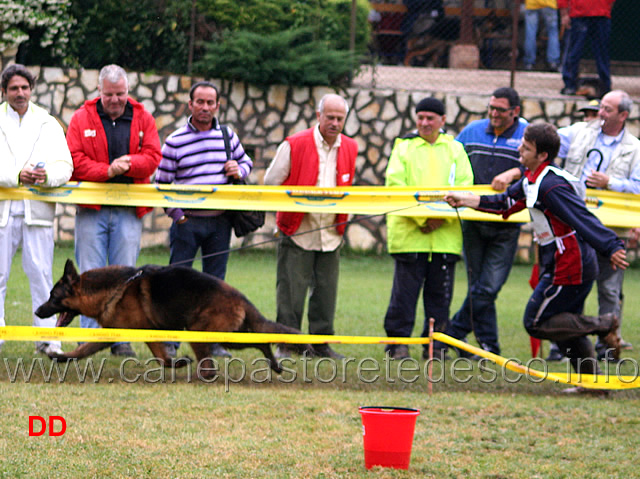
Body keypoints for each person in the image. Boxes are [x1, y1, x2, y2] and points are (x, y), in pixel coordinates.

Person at [444, 123, 626, 388]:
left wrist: (611, 245)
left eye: (526, 147)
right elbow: (505, 202)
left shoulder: (551, 185)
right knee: (563, 326)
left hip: (570, 262)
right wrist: (465, 199)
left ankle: (604, 323)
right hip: (560, 260)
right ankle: (593, 384)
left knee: (537, 321)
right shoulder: (532, 179)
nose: (520, 149)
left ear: (542, 155)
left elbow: (582, 217)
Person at [66, 64, 162, 357]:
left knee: (126, 277)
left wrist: (131, 164)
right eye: (109, 94)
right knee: (89, 277)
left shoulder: (143, 117)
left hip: (128, 211)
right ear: (99, 91)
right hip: (91, 210)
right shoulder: (81, 117)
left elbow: (153, 156)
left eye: (120, 93)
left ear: (128, 91)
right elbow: (73, 159)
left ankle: (121, 339)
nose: (115, 99)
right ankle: (89, 338)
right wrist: (106, 171)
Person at [155, 81, 253, 359]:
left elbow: (247, 163)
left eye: (211, 103)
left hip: (220, 223)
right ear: (190, 104)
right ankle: (170, 343)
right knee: (176, 284)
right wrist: (178, 216)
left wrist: (239, 169)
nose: (205, 107)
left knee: (216, 286)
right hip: (187, 224)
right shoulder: (175, 141)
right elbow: (161, 184)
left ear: (218, 106)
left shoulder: (227, 136)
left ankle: (213, 344)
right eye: (200, 102)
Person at [264, 93, 357, 360]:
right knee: (291, 291)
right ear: (318, 116)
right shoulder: (294, 144)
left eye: (340, 118)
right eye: (330, 117)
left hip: (331, 232)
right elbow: (271, 182)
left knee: (327, 292)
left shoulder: (351, 147)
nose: (335, 123)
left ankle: (321, 344)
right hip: (297, 230)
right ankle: (287, 344)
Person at [382, 97, 474, 360]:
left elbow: (466, 185)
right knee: (404, 297)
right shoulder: (404, 147)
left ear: (442, 121)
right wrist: (423, 219)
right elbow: (396, 186)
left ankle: (436, 347)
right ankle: (397, 344)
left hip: (445, 238)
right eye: (420, 117)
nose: (424, 123)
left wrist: (441, 218)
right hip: (410, 237)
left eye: (430, 118)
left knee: (440, 297)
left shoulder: (455, 149)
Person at [558, 90, 640, 359]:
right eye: (601, 108)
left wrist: (610, 183)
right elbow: (550, 140)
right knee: (569, 284)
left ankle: (609, 346)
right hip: (574, 225)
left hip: (611, 231)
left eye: (607, 109)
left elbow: (638, 187)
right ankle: (564, 344)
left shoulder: (635, 148)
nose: (600, 113)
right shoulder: (580, 132)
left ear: (623, 115)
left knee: (609, 288)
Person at [447, 87, 528, 357]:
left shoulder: (526, 134)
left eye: (500, 110)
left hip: (507, 221)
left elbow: (541, 163)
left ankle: (451, 334)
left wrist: (515, 171)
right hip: (472, 220)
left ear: (515, 112)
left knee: (489, 285)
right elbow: (452, 158)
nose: (493, 113)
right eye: (491, 107)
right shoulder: (471, 131)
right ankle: (488, 346)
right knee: (479, 287)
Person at [0, 64, 73, 356]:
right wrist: (17, 176)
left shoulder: (47, 122)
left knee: (42, 275)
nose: (20, 93)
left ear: (32, 89)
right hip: (3, 211)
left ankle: (48, 340)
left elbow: (64, 166)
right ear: (4, 91)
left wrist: (46, 178)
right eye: (14, 88)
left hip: (38, 212)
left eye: (25, 87)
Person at [558, 0, 616, 96]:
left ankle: (605, 85)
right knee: (574, 52)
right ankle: (570, 84)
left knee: (601, 53)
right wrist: (564, 14)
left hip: (599, 14)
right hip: (580, 15)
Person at [523, 0, 561, 72]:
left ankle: (529, 63)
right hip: (549, 3)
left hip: (532, 3)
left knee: (530, 33)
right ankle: (553, 62)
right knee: (552, 32)